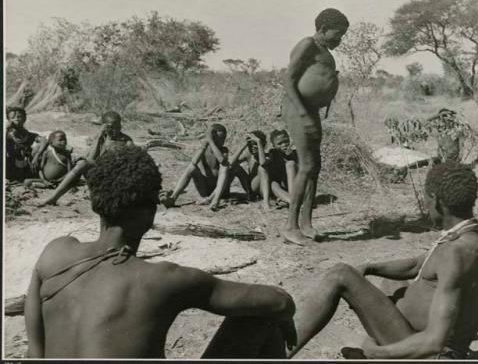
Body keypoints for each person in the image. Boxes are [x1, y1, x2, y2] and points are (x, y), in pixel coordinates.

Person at [25, 146, 296, 359]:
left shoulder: (55, 253)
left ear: (95, 202)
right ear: (151, 209)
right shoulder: (162, 279)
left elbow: (33, 354)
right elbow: (282, 302)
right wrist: (279, 315)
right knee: (258, 317)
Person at [287, 162, 478, 359]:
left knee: (340, 274)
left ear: (437, 201)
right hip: (415, 335)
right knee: (393, 282)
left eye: (427, 203)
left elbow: (434, 342)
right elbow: (419, 265)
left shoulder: (454, 254)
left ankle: (280, 352)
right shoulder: (473, 237)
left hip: (429, 353)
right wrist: (370, 267)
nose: (427, 209)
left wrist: (375, 352)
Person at [281, 8, 349, 245]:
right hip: (297, 108)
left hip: (311, 111)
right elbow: (288, 80)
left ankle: (307, 223)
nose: (340, 39)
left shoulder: (324, 51)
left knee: (315, 166)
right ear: (322, 29)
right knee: (306, 165)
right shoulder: (307, 44)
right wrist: (302, 112)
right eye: (337, 34)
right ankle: (290, 227)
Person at [37, 111, 134, 206]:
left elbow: (133, 162)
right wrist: (99, 138)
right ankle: (53, 197)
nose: (115, 130)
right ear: (104, 126)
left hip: (116, 175)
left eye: (118, 126)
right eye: (111, 127)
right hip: (100, 173)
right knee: (82, 163)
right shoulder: (101, 138)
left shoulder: (126, 140)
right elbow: (91, 158)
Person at [162, 123, 235, 211]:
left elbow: (222, 161)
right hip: (204, 187)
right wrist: (204, 146)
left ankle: (215, 200)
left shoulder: (224, 150)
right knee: (191, 168)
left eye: (224, 139)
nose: (222, 142)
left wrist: (211, 142)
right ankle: (173, 197)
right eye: (219, 140)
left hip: (218, 190)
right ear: (213, 138)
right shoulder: (204, 148)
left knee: (225, 167)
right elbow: (194, 162)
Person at [217, 130, 272, 211]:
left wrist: (259, 142)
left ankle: (266, 202)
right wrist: (243, 146)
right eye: (251, 145)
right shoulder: (249, 155)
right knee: (235, 168)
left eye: (255, 145)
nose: (253, 148)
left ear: (263, 144)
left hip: (261, 189)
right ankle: (224, 194)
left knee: (262, 168)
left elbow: (262, 162)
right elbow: (231, 163)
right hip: (251, 187)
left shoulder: (268, 155)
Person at [5, 106, 49, 182]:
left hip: (26, 165)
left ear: (25, 119)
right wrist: (6, 128)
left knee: (40, 147)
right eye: (12, 117)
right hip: (11, 166)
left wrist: (37, 156)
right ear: (9, 120)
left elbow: (45, 141)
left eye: (19, 116)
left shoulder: (29, 135)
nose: (16, 119)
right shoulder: (7, 135)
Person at [267, 129, 298, 206]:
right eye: (280, 143)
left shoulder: (296, 153)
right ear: (274, 145)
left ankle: (293, 199)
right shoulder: (273, 154)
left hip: (297, 187)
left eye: (286, 141)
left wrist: (292, 156)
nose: (284, 145)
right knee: (273, 184)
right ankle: (290, 200)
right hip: (283, 187)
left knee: (290, 164)